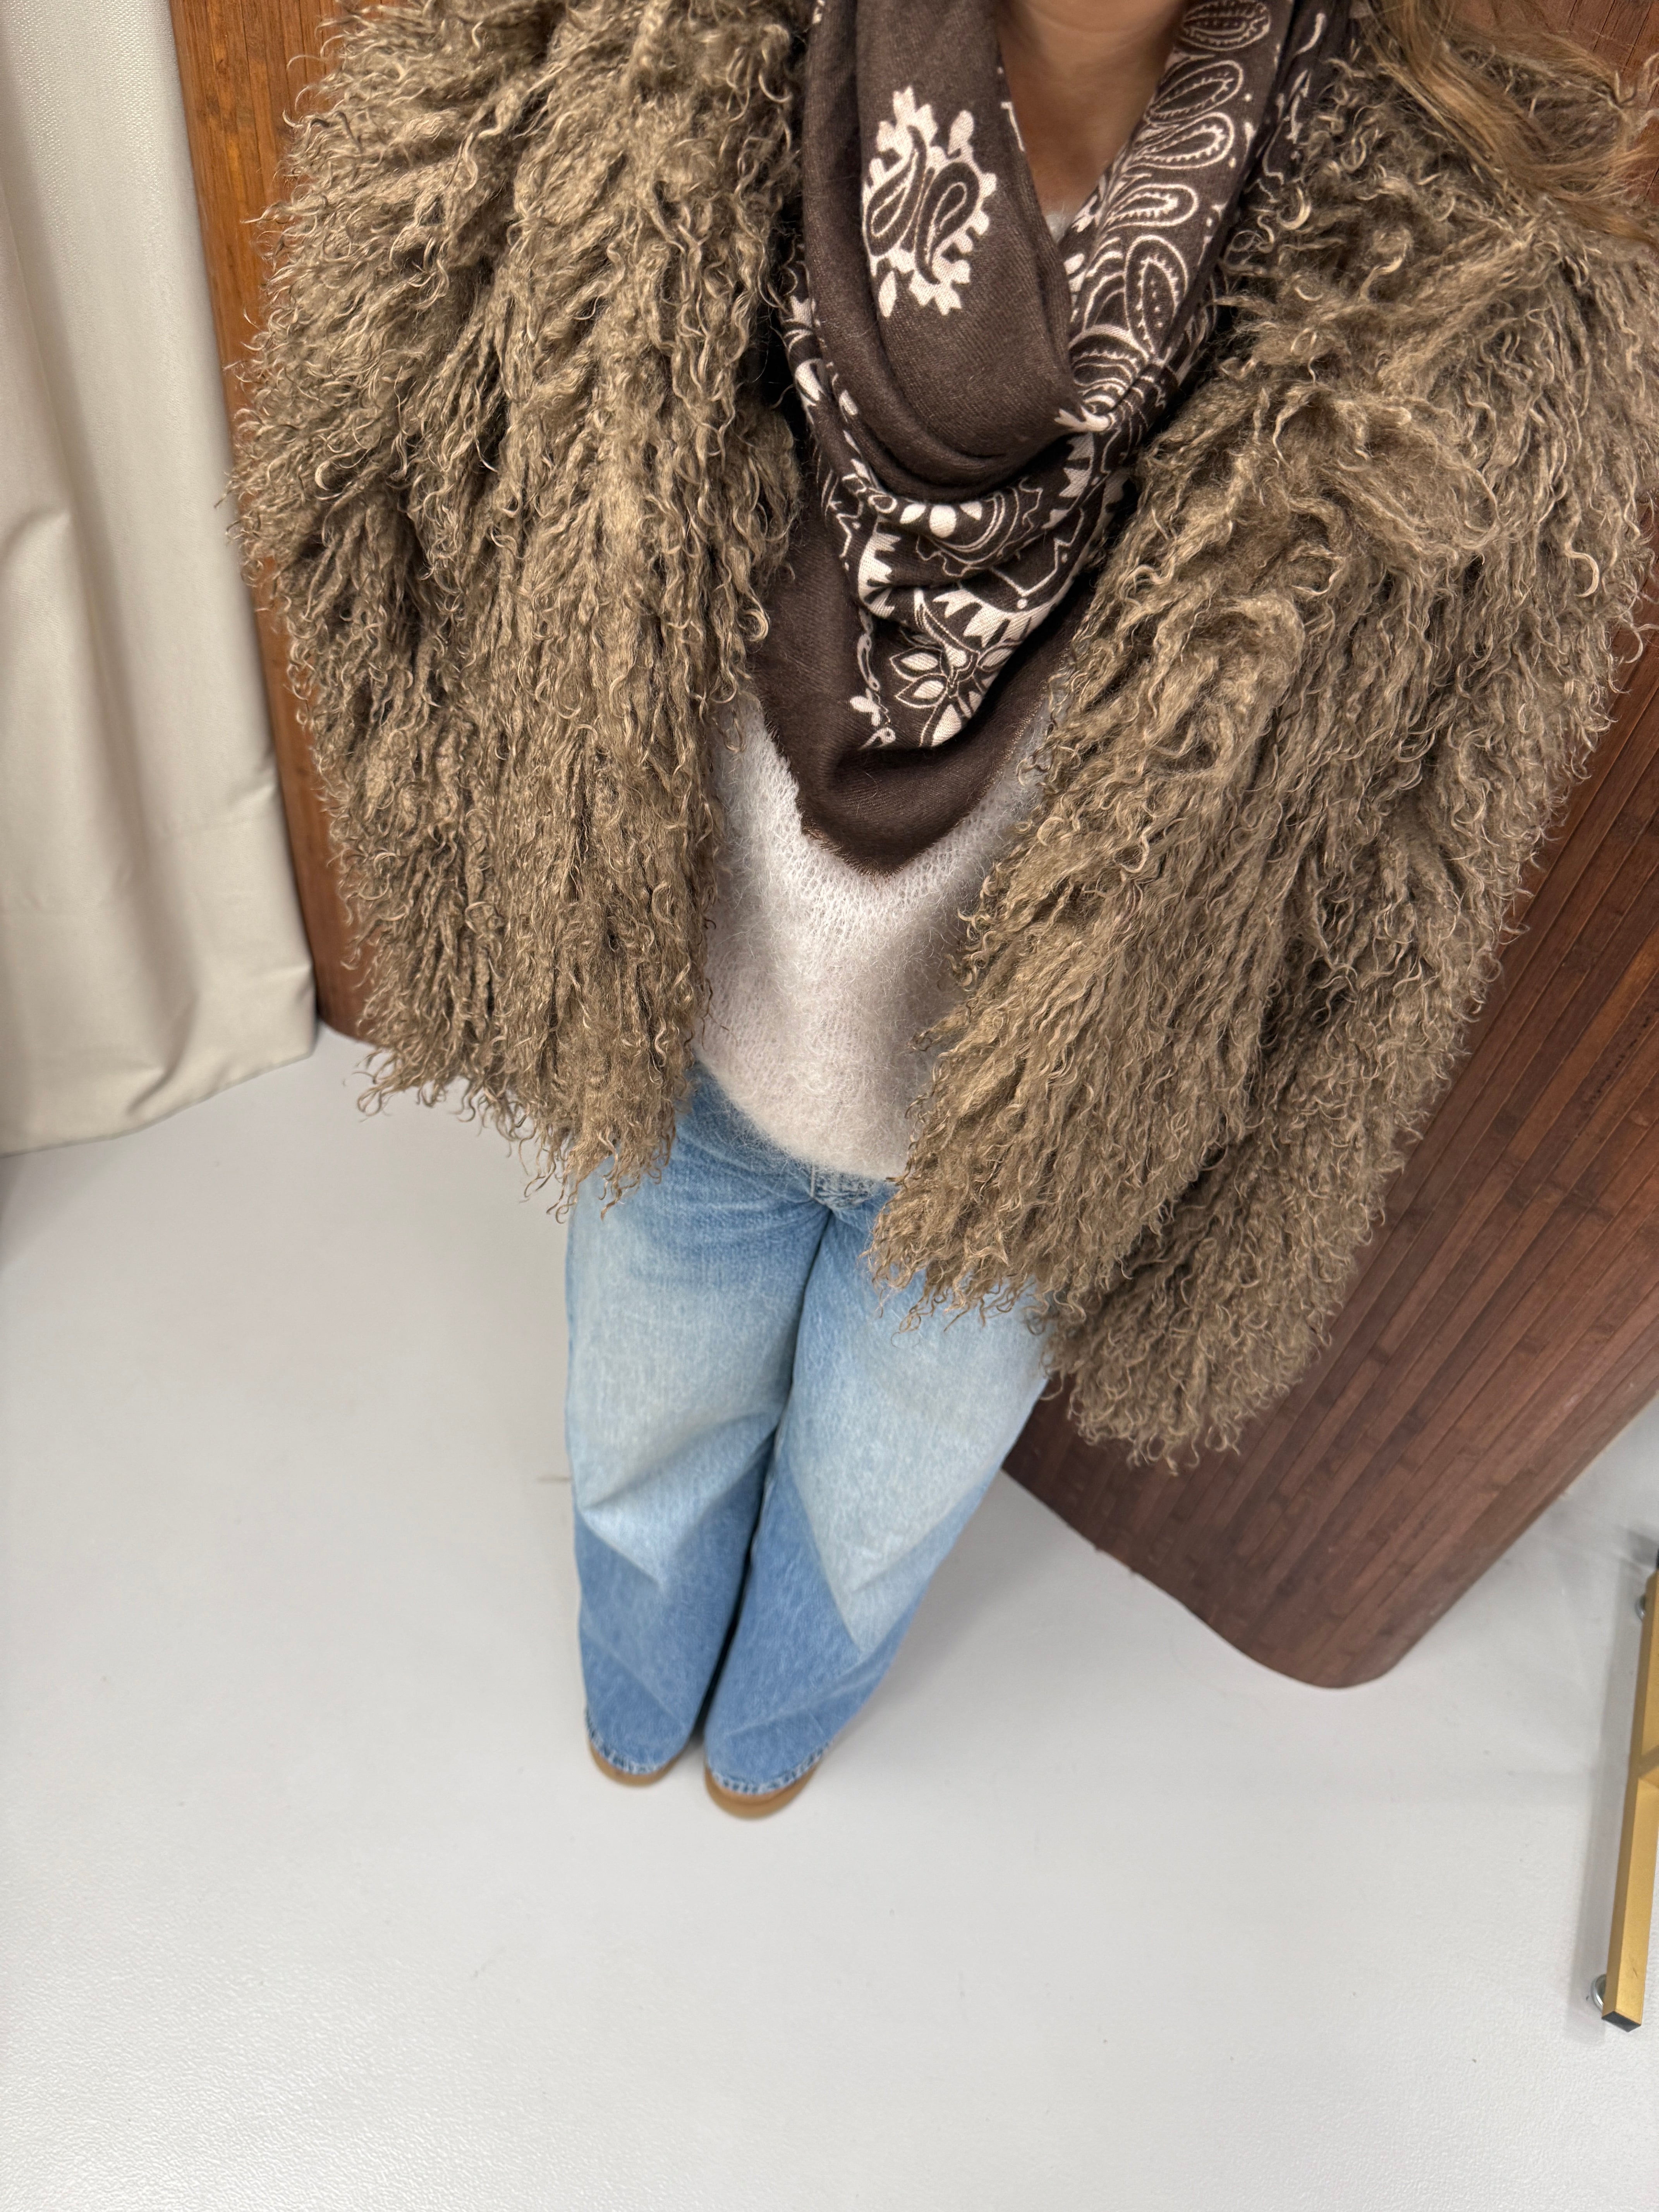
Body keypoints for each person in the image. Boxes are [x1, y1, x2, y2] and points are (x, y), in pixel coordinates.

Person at [239, 0, 1659, 1813]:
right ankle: (637, 1694)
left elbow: (1411, 873)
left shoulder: (1480, 281)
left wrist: (1228, 1196)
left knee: (874, 1514)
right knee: (642, 1439)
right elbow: (386, 504)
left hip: (1019, 1165)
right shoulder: (635, 49)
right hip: (696, 1047)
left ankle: (776, 1734)